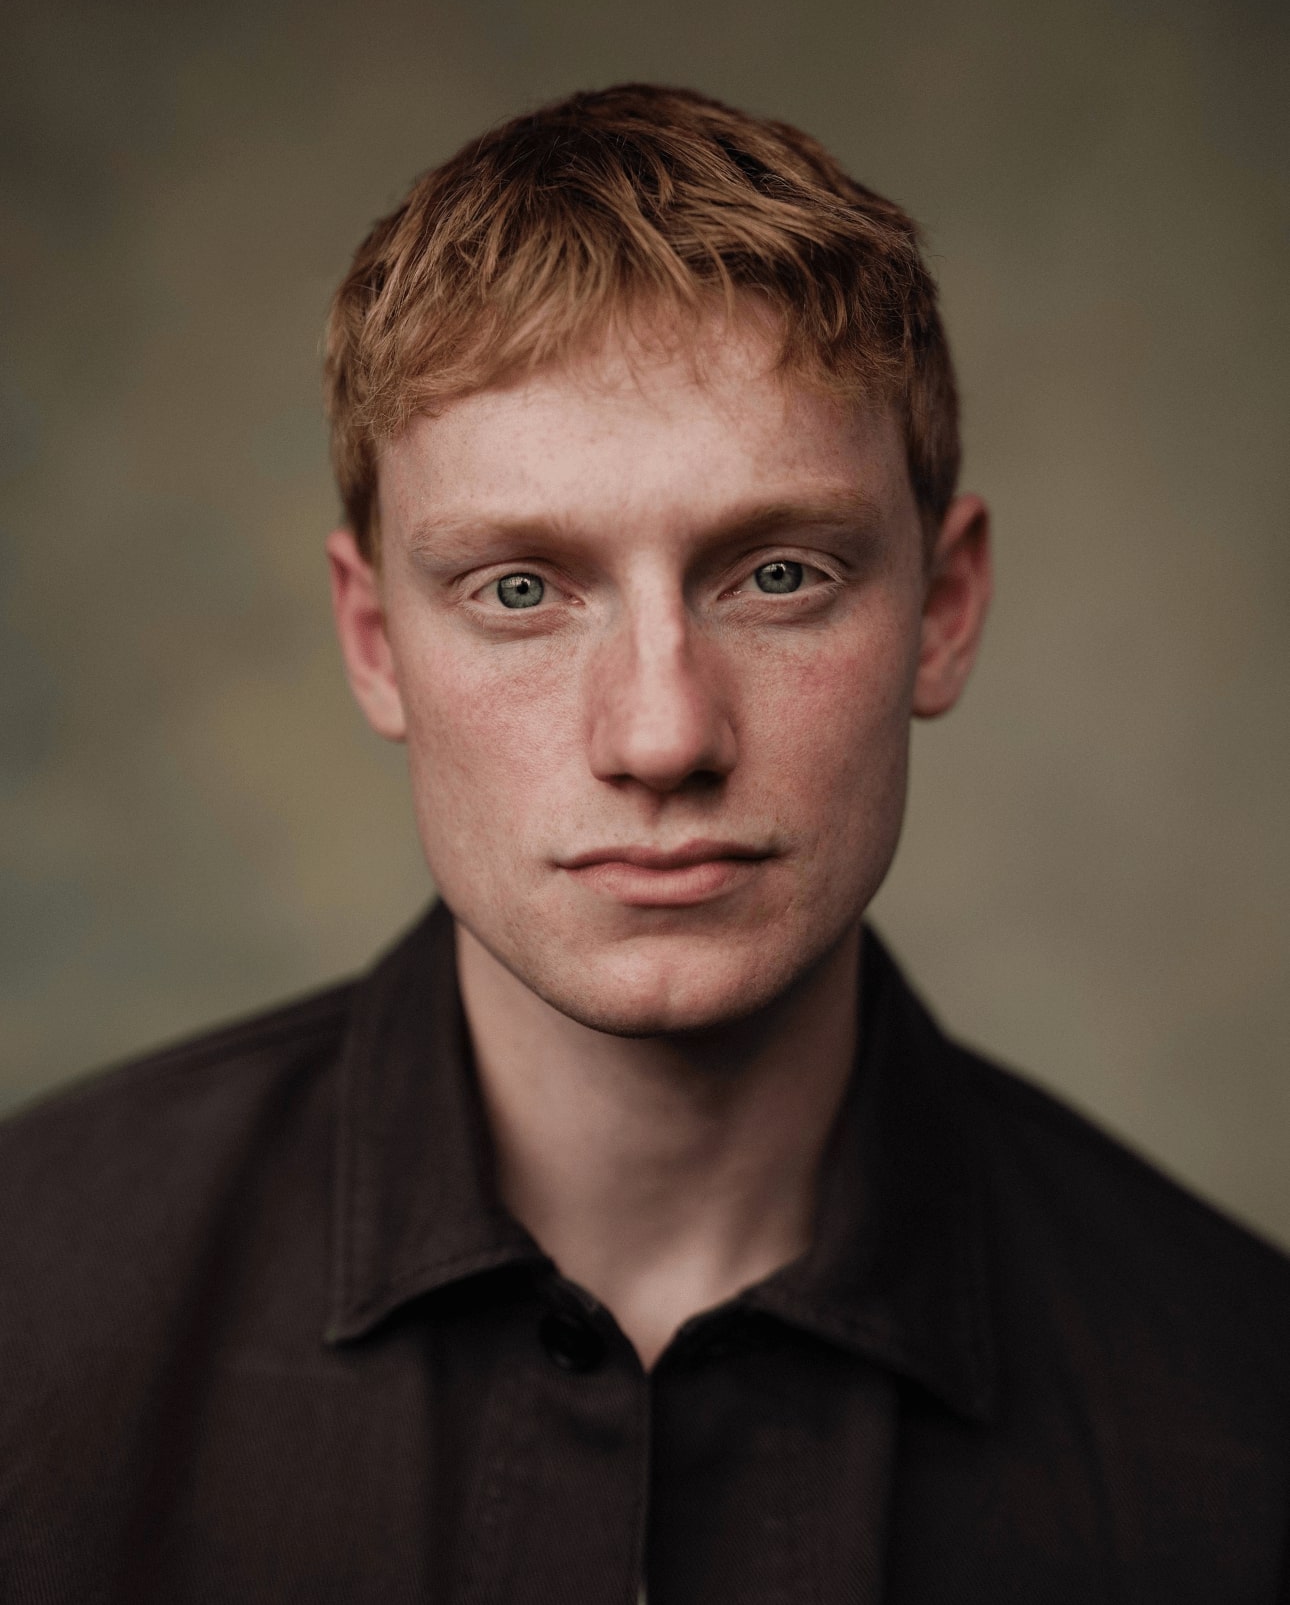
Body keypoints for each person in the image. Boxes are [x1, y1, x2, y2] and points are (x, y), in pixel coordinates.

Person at [2, 83, 1287, 1605]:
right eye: (521, 591)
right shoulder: (31, 1314)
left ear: (943, 611)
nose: (663, 735)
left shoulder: (1241, 1414)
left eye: (780, 574)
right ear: (373, 640)